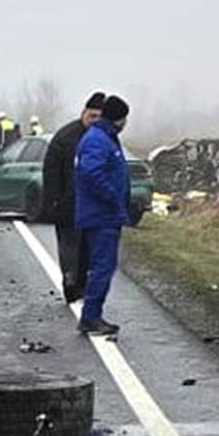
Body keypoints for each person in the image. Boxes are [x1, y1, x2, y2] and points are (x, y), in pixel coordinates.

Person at [74, 95, 131, 336]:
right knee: (102, 266)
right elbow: (92, 172)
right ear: (118, 118)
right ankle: (91, 317)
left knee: (102, 265)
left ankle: (93, 314)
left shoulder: (105, 137)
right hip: (101, 215)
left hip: (104, 214)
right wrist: (112, 198)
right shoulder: (99, 140)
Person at [43, 91, 105, 303]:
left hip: (92, 205)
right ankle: (70, 282)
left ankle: (81, 285)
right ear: (83, 113)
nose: (95, 121)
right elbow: (51, 171)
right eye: (92, 116)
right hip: (67, 204)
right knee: (69, 246)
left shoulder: (102, 138)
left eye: (99, 117)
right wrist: (53, 200)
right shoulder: (65, 137)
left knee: (87, 248)